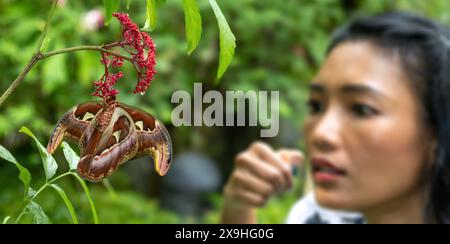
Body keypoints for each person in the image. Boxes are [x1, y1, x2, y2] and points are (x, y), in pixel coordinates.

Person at [220, 11, 450, 224]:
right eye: (316, 106)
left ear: (437, 134)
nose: (321, 132)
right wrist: (238, 208)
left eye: (362, 109)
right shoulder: (313, 217)